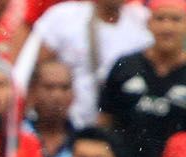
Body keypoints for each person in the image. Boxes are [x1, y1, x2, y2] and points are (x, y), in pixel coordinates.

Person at [96, 0, 186, 157]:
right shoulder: (125, 66)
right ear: (148, 23)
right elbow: (105, 122)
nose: (167, 27)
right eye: (160, 19)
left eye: (176, 20)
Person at [22, 0, 148, 130]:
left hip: (117, 127)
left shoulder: (142, 20)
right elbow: (37, 71)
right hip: (67, 126)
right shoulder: (64, 16)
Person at [26, 56, 75, 157]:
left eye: (64, 88)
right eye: (49, 87)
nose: (57, 96)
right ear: (32, 91)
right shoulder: (15, 137)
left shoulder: (82, 140)